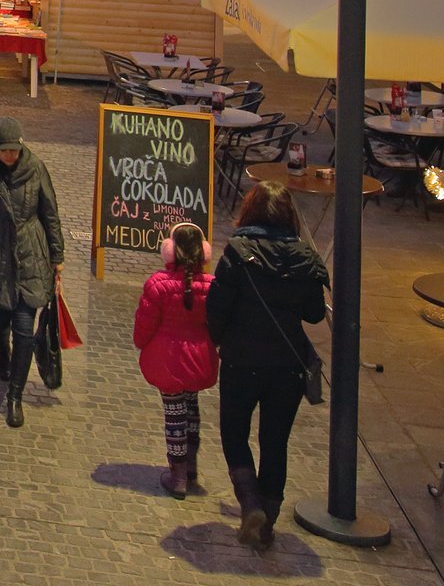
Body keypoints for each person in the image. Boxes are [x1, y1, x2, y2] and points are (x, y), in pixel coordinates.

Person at [205, 183, 328, 549]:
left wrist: (219, 340)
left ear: (251, 212)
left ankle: (251, 504)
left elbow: (217, 310)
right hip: (286, 366)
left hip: (242, 361)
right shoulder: (305, 258)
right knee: (275, 442)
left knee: (234, 434)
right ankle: (267, 523)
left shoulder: (238, 253)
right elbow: (315, 313)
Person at [0, 116, 66, 428]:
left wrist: (57, 255)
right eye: (3, 151)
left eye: (13, 150)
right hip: (0, 255)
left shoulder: (36, 169)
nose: (9, 155)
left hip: (33, 255)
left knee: (24, 329)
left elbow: (50, 213)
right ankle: (2, 356)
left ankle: (15, 397)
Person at [134, 222, 220, 499]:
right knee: (192, 410)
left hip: (167, 360)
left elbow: (144, 327)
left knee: (174, 416)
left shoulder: (157, 285)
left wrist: (142, 344)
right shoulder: (211, 286)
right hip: (198, 358)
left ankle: (178, 474)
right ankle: (192, 465)